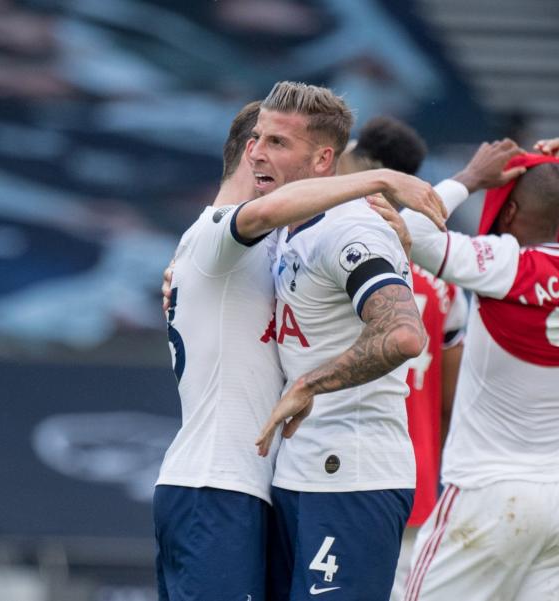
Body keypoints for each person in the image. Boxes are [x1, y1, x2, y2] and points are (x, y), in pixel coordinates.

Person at [154, 96, 446, 601]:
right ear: (244, 156)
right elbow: (271, 211)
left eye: (277, 142)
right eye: (258, 143)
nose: (262, 154)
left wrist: (403, 229)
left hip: (276, 480)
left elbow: (354, 248)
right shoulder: (217, 232)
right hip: (215, 482)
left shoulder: (279, 244)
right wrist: (382, 180)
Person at [398, 138, 559, 601]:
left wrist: (471, 177)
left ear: (511, 206)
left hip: (486, 493)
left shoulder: (506, 263)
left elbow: (411, 233)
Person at [334, 115, 469, 601]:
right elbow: (451, 400)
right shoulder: (444, 284)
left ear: (367, 166)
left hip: (342, 475)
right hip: (415, 483)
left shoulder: (334, 255)